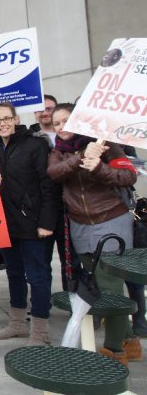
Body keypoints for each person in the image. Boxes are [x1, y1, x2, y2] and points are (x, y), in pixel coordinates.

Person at [47, 104, 141, 364]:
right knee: (96, 283)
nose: (61, 126)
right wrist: (80, 159)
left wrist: (98, 166)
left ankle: (114, 349)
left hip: (112, 219)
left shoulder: (106, 144)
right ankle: (130, 340)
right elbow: (54, 173)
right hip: (79, 224)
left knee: (110, 284)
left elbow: (127, 176)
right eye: (57, 123)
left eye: (67, 121)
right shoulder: (58, 152)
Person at [0, 102, 59, 346]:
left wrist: (47, 222)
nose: (2, 123)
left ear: (16, 119)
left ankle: (40, 331)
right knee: (14, 274)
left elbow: (48, 186)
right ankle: (17, 323)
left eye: (7, 118)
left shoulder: (35, 144)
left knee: (38, 277)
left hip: (34, 224)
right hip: (4, 224)